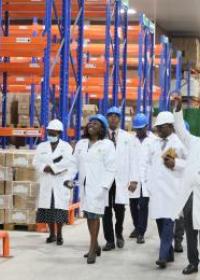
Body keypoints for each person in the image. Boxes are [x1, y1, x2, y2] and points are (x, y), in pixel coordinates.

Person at [141, 111, 187, 269]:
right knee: (161, 222)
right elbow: (147, 163)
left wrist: (176, 164)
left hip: (173, 189)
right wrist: (146, 182)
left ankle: (162, 256)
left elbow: (192, 164)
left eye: (161, 127)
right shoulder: (154, 143)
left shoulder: (180, 143)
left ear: (170, 126)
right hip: (156, 190)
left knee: (168, 221)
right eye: (157, 127)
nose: (158, 130)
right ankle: (169, 253)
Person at [71, 114, 116, 264]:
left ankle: (92, 250)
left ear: (102, 128)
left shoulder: (107, 145)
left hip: (98, 186)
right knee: (88, 216)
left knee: (95, 216)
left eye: (95, 123)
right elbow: (73, 163)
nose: (91, 125)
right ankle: (96, 245)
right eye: (90, 123)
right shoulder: (81, 144)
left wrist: (104, 187)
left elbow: (111, 168)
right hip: (84, 186)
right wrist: (69, 179)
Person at [33, 119, 76, 246]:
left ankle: (60, 235)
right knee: (48, 210)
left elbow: (67, 162)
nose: (50, 134)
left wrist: (53, 168)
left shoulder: (66, 147)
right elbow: (36, 161)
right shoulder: (41, 147)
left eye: (53, 132)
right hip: (46, 181)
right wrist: (43, 168)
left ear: (59, 133)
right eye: (49, 132)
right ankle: (51, 234)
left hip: (60, 181)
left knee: (59, 210)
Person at [102, 106, 139, 251]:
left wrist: (134, 179)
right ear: (107, 118)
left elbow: (133, 159)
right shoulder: (101, 136)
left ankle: (119, 233)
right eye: (110, 115)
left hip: (121, 179)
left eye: (116, 115)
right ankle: (109, 240)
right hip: (105, 180)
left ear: (119, 119)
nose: (113, 118)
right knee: (105, 210)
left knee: (120, 210)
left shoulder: (127, 138)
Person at [172, 96, 200, 275]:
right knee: (191, 231)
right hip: (192, 193)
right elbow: (181, 130)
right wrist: (178, 110)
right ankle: (193, 262)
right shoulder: (195, 142)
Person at [129, 113, 151, 244]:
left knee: (143, 205)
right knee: (133, 205)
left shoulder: (153, 140)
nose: (139, 131)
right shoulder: (131, 141)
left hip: (147, 179)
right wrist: (131, 179)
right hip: (132, 178)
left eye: (141, 128)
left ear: (146, 127)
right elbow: (128, 160)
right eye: (137, 129)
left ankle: (141, 232)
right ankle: (137, 226)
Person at [173, 121, 190, 254]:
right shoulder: (172, 146)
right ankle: (168, 240)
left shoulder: (192, 146)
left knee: (181, 215)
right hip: (171, 185)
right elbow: (165, 162)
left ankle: (178, 240)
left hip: (186, 185)